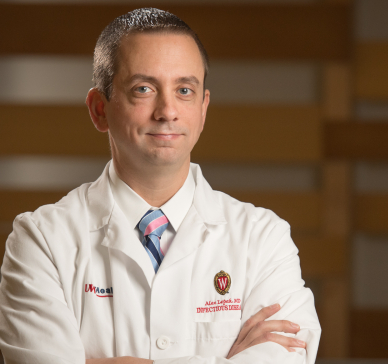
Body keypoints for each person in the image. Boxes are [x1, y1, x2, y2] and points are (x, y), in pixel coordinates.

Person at [0, 8, 321, 364]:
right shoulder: (41, 240)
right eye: (144, 89)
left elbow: (288, 356)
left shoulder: (263, 239)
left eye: (184, 90)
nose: (167, 110)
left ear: (203, 108)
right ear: (99, 109)